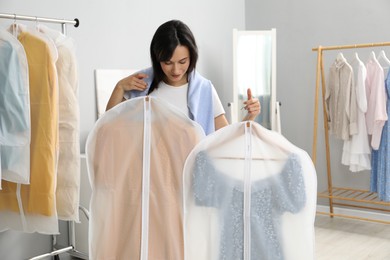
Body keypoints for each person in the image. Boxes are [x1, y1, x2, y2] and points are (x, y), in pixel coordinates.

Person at [106, 19, 261, 134]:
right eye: (167, 62)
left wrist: (250, 116)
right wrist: (119, 87)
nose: (176, 70)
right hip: (147, 174)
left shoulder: (204, 90)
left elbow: (225, 140)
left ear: (191, 57)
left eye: (182, 61)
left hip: (190, 174)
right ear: (157, 57)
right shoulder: (141, 83)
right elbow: (107, 126)